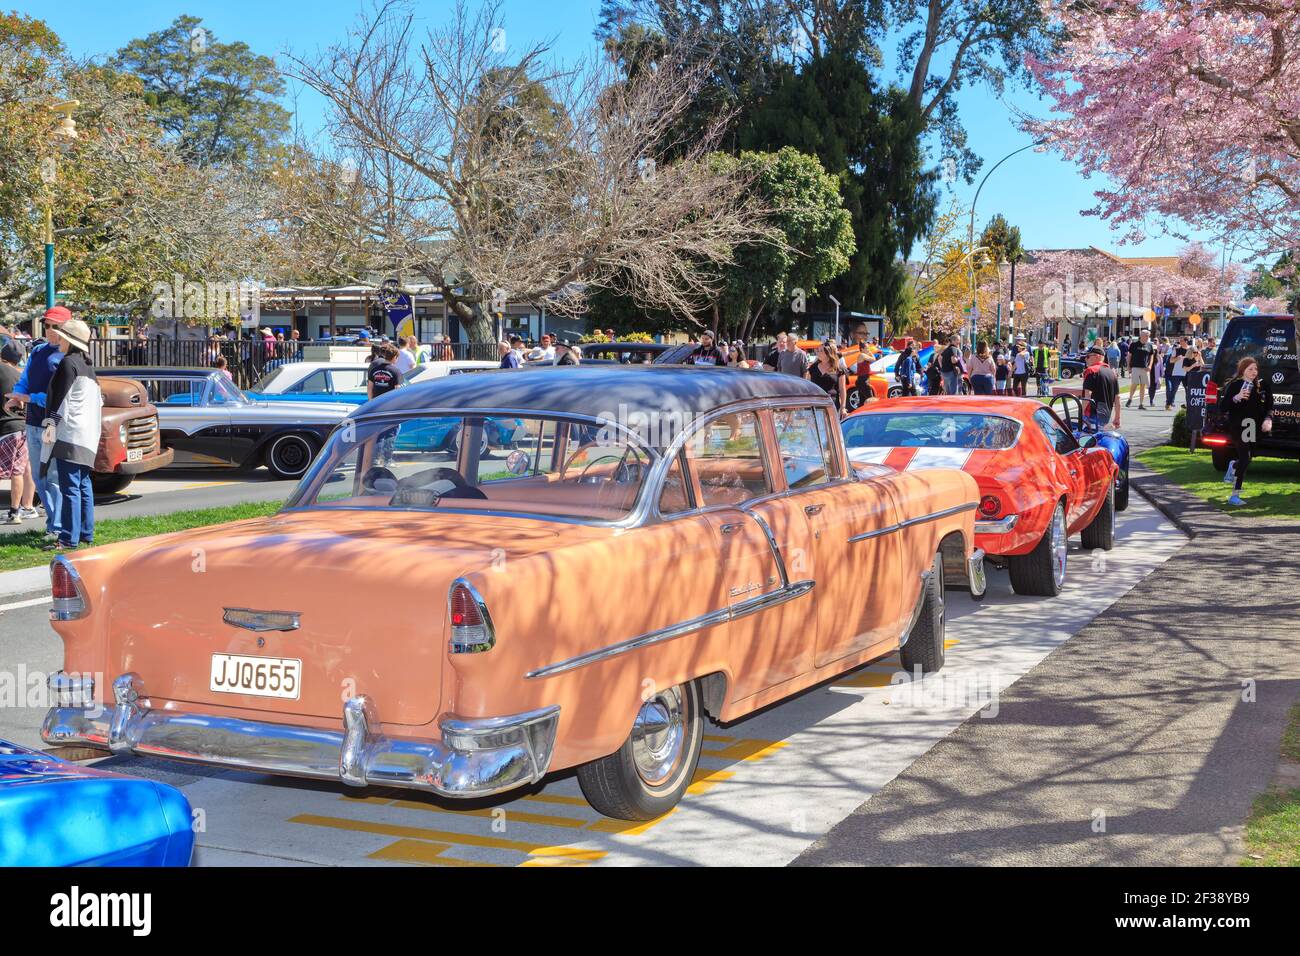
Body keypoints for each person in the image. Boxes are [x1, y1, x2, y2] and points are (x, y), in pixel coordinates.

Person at [5, 306, 69, 539]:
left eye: (56, 326)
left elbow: (61, 396)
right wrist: (16, 396)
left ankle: (58, 526)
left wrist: (29, 398)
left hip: (54, 423)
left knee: (52, 477)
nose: (50, 330)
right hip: (32, 422)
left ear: (67, 328)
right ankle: (54, 523)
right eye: (48, 325)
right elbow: (25, 379)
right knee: (39, 477)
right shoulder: (39, 351)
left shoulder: (67, 357)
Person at [40, 318, 103, 552]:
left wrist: (49, 428)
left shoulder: (68, 364)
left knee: (70, 488)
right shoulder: (88, 366)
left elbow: (60, 401)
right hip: (87, 435)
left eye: (62, 337)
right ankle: (86, 533)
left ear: (70, 341)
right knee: (83, 485)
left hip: (70, 435)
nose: (59, 340)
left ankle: (68, 537)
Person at [1221, 356, 1272, 506]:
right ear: (1243, 370)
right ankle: (1234, 496)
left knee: (1246, 459)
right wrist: (1236, 398)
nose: (1254, 372)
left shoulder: (1261, 386)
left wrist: (1268, 419)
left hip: (1253, 426)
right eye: (1250, 369)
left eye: (1256, 369)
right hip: (1239, 426)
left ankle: (1233, 465)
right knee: (1244, 458)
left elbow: (1269, 405)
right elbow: (1223, 407)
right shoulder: (1235, 385)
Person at [0, 342, 35, 523]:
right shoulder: (21, 376)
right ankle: (15, 512)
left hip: (5, 428)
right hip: (22, 428)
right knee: (17, 471)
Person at [1081, 346, 1121, 431]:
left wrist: (1080, 413)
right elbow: (1117, 398)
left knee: (1084, 439)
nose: (1086, 359)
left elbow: (1087, 396)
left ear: (1097, 356)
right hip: (1106, 413)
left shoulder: (1091, 371)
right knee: (1099, 438)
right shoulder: (1112, 372)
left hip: (1092, 413)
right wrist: (1117, 417)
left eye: (1088, 357)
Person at [806, 340, 848, 414]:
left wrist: (843, 407)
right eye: (818, 350)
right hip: (815, 404)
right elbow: (807, 387)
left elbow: (842, 389)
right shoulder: (813, 368)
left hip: (832, 404)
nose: (817, 352)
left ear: (828, 353)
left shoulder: (839, 369)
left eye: (820, 351)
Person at [1125, 329, 1154, 409]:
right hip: (1135, 367)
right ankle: (1130, 398)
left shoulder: (1149, 345)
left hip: (1145, 368)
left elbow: (1151, 356)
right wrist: (1128, 367)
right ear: (1141, 336)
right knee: (1134, 384)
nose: (1147, 337)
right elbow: (1129, 356)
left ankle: (1141, 404)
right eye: (1146, 336)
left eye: (1148, 336)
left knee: (1143, 385)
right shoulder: (1134, 345)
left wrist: (1150, 366)